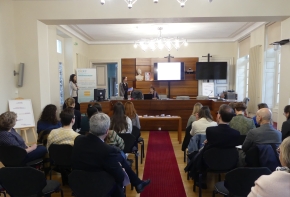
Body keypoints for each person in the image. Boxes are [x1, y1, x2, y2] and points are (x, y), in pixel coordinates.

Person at [72, 113, 151, 196]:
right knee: (118, 179)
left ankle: (137, 183)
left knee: (119, 157)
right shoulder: (107, 150)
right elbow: (120, 177)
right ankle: (137, 183)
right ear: (107, 131)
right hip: (100, 186)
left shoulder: (78, 140)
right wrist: (121, 170)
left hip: (78, 183)